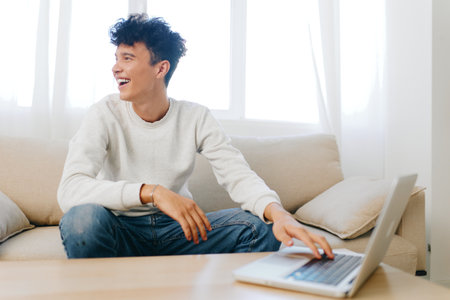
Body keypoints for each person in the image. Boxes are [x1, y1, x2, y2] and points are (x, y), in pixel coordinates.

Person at [57, 13, 333, 259]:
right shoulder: (104, 113)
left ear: (160, 68)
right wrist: (151, 193)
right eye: (116, 59)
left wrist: (281, 214)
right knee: (81, 220)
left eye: (127, 58)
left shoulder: (196, 117)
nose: (115, 68)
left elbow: (238, 175)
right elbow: (70, 190)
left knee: (260, 227)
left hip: (178, 231)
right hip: (120, 228)